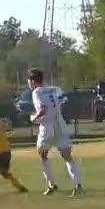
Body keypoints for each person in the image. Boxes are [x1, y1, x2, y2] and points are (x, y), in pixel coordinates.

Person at [28, 67, 83, 196]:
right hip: (60, 125)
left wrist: (33, 118)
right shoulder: (53, 89)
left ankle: (52, 185)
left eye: (29, 81)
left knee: (42, 154)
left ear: (33, 81)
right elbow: (62, 101)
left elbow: (43, 109)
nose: (29, 83)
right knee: (67, 157)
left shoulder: (36, 92)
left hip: (47, 128)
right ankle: (77, 185)